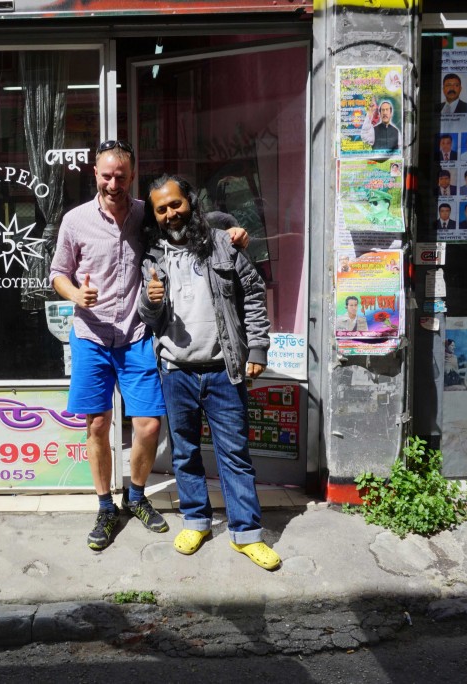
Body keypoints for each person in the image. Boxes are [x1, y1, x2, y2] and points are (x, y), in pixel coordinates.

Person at [49, 140, 245, 551]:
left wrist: (229, 231)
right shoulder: (75, 220)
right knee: (98, 425)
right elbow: (58, 274)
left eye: (121, 175)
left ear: (131, 176)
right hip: (91, 336)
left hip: (137, 333)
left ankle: (136, 496)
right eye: (106, 175)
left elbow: (187, 220)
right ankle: (105, 506)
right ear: (94, 173)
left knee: (149, 426)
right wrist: (73, 296)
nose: (113, 182)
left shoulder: (144, 213)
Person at [138, 174, 280, 571]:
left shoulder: (222, 244)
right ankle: (196, 521)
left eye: (176, 204)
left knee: (234, 454)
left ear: (190, 203)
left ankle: (247, 534)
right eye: (161, 209)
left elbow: (252, 292)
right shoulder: (153, 257)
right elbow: (146, 315)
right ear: (155, 214)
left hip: (223, 370)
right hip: (176, 372)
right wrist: (151, 303)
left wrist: (257, 347)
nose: (170, 213)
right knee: (184, 453)